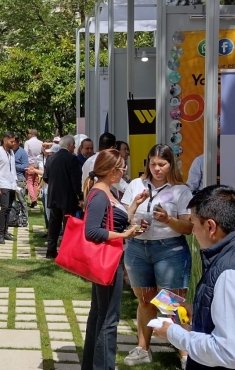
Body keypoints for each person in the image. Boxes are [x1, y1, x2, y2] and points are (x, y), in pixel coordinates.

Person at [153, 185, 235, 370]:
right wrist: (199, 310)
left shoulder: (231, 273)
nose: (192, 231)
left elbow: (228, 352)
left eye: (193, 224)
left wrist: (173, 333)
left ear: (210, 226)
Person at [121, 144, 194, 366]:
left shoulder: (181, 190)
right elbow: (124, 216)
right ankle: (143, 349)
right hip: (138, 248)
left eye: (161, 164)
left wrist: (168, 220)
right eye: (152, 164)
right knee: (145, 301)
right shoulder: (136, 184)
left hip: (170, 250)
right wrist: (135, 212)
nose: (156, 169)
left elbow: (188, 228)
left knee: (170, 303)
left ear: (171, 164)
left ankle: (185, 354)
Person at [80, 150, 147, 370]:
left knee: (99, 315)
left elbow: (115, 220)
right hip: (107, 262)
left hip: (109, 260)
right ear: (111, 171)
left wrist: (134, 207)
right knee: (109, 320)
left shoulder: (108, 192)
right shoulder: (100, 195)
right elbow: (91, 231)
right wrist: (123, 236)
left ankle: (91, 365)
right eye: (122, 167)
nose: (124, 170)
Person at [43, 136, 82, 258]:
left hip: (54, 195)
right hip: (68, 198)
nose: (75, 147)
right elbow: (76, 181)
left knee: (54, 225)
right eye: (74, 145)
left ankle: (51, 250)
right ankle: (66, 252)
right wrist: (79, 196)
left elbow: (46, 178)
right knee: (68, 226)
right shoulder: (72, 159)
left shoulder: (50, 158)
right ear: (69, 145)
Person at [0, 132, 18, 245]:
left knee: (9, 208)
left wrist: (15, 181)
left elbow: (13, 168)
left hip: (11, 184)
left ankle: (6, 231)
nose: (13, 143)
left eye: (14, 141)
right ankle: (0, 233)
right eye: (11, 141)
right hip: (2, 183)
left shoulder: (11, 153)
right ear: (5, 140)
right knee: (4, 208)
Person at [23, 129, 43, 207]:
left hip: (30, 163)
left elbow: (25, 153)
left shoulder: (27, 143)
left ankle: (33, 199)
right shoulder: (41, 143)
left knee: (29, 182)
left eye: (28, 133)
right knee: (35, 183)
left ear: (31, 134)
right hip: (38, 164)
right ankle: (35, 199)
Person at [10, 133, 29, 201]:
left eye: (14, 143)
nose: (12, 144)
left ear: (18, 143)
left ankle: (23, 211)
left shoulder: (22, 152)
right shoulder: (9, 151)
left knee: (21, 199)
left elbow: (25, 166)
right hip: (9, 178)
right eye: (11, 142)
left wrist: (14, 166)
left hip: (19, 178)